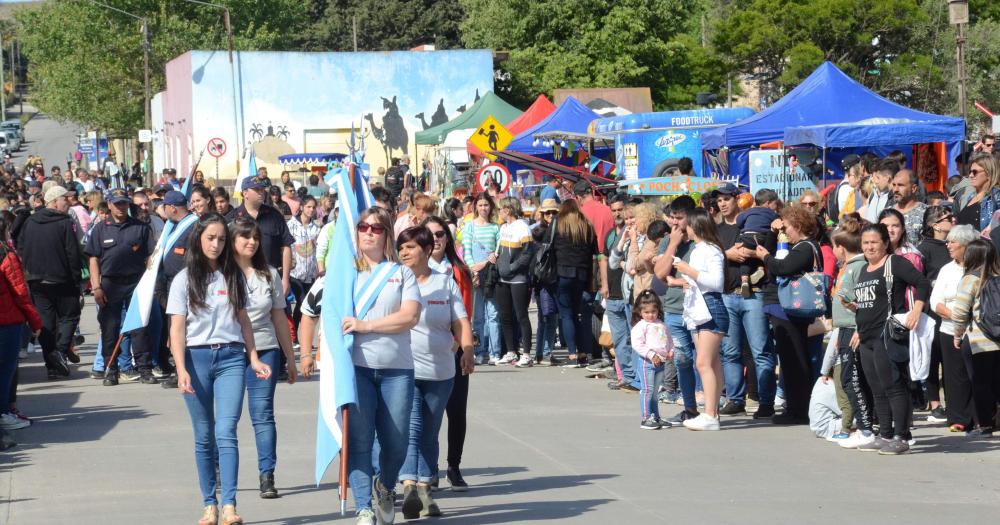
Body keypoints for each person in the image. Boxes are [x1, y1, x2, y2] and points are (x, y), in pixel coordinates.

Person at [299, 207, 420, 525]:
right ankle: (364, 506)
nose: (368, 232)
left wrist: (366, 326)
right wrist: (310, 353)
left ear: (387, 235)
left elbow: (410, 316)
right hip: (356, 370)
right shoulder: (342, 275)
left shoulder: (401, 273)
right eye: (363, 227)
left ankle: (385, 484)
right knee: (360, 440)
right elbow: (314, 313)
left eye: (376, 228)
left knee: (397, 443)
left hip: (397, 369)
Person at [166, 212, 272, 525]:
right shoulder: (183, 280)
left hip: (231, 358)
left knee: (226, 432)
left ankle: (229, 505)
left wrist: (253, 357)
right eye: (211, 238)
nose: (216, 244)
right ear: (199, 239)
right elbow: (176, 328)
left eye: (221, 239)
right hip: (196, 360)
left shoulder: (233, 275)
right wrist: (180, 368)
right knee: (203, 435)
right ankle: (209, 504)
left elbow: (244, 320)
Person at [395, 226, 473, 519]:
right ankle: (409, 485)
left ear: (427, 251)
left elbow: (461, 321)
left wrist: (467, 350)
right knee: (413, 429)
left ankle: (426, 489)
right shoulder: (395, 281)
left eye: (411, 247)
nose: (404, 252)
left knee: (430, 431)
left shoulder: (445, 282)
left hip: (442, 371)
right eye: (401, 247)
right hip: (406, 367)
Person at [229, 218, 297, 499]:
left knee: (263, 415)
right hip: (230, 351)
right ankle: (221, 471)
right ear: (231, 240)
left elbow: (279, 318)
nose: (251, 242)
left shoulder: (268, 273)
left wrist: (290, 358)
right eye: (245, 237)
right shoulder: (220, 273)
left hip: (266, 347)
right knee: (227, 417)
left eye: (255, 237)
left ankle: (267, 475)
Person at [849, 223, 930, 454]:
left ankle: (901, 436)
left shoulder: (894, 263)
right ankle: (884, 434)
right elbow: (866, 305)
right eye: (865, 242)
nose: (869, 246)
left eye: (874, 242)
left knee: (894, 386)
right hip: (866, 337)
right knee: (877, 389)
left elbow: (922, 282)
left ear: (885, 243)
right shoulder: (865, 268)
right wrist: (857, 329)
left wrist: (917, 310)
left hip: (887, 335)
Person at [753, 205, 825, 424]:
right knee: (792, 358)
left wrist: (766, 258)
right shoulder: (803, 246)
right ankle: (796, 408)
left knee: (795, 359)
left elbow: (781, 268)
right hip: (790, 308)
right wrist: (772, 238)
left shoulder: (805, 247)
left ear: (799, 225)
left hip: (792, 309)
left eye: (787, 227)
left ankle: (798, 410)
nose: (785, 232)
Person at [420, 215, 475, 491]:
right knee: (428, 415)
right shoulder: (413, 269)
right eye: (431, 235)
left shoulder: (458, 270)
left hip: (454, 349)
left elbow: (465, 312)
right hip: (424, 352)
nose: (437, 239)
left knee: (456, 410)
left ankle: (454, 466)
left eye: (441, 234)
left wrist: (463, 344)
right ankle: (427, 469)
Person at [714, 186, 778, 417]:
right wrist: (726, 254)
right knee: (730, 351)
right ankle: (735, 399)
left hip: (754, 293)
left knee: (760, 350)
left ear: (738, 200)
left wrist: (751, 253)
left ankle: (767, 402)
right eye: (719, 200)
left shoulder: (756, 221)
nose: (722, 204)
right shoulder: (717, 229)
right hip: (728, 294)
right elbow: (707, 257)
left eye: (727, 199)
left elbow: (770, 248)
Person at [85, 188, 157, 385]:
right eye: (117, 204)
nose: (121, 207)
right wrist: (96, 287)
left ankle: (144, 369)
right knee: (110, 328)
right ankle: (111, 370)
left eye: (124, 203)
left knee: (139, 328)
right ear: (109, 205)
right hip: (109, 284)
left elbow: (151, 255)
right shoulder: (100, 229)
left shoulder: (140, 227)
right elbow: (93, 259)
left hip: (135, 283)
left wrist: (148, 283)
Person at [670, 208, 728, 430]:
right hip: (697, 308)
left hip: (710, 307)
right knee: (711, 363)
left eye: (689, 224)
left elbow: (716, 283)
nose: (686, 228)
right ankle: (712, 413)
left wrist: (688, 270)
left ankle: (711, 414)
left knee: (703, 362)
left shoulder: (712, 250)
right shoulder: (698, 249)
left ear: (697, 226)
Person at [17, 186, 82, 379]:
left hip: (36, 280)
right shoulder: (64, 222)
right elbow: (73, 253)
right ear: (54, 202)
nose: (68, 203)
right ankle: (59, 354)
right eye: (65, 199)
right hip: (62, 279)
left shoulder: (30, 222)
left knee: (47, 323)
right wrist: (77, 279)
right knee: (70, 316)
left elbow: (21, 247)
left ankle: (52, 367)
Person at [828, 214, 877, 449]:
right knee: (849, 378)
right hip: (845, 329)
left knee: (852, 379)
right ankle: (864, 426)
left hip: (854, 328)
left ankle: (866, 428)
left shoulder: (857, 267)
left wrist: (859, 327)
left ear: (840, 247)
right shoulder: (847, 267)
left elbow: (864, 301)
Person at [929, 224, 978, 431]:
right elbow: (936, 301)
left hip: (976, 331)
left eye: (952, 242)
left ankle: (979, 417)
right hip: (949, 329)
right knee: (954, 375)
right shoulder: (946, 270)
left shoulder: (979, 268)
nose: (948, 245)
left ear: (966, 245)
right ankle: (958, 417)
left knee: (976, 375)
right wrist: (957, 316)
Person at [950, 239, 1000, 436]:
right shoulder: (997, 276)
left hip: (979, 340)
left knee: (980, 383)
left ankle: (985, 425)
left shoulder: (971, 279)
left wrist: (957, 333)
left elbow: (960, 311)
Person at [0, 214, 42, 447]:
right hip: (7, 322)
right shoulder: (6, 255)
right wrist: (35, 322)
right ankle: (4, 412)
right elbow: (20, 293)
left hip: (8, 320)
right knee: (6, 371)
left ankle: (6, 411)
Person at [552, 199, 599, 368]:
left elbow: (549, 247)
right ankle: (583, 352)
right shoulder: (586, 224)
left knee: (566, 314)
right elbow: (594, 250)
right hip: (581, 274)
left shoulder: (558, 223)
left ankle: (572, 353)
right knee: (579, 315)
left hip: (562, 273)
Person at [231, 176, 294, 297]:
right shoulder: (233, 218)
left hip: (272, 278)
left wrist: (285, 279)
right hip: (242, 280)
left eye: (262, 189)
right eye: (257, 189)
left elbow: (286, 246)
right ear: (245, 193)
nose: (262, 192)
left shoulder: (274, 215)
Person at [601, 195, 638, 389]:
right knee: (619, 341)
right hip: (613, 294)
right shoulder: (610, 235)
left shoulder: (635, 234)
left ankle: (638, 378)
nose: (617, 214)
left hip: (629, 295)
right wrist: (604, 285)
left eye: (620, 210)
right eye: (613, 210)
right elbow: (605, 260)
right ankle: (627, 377)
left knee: (635, 338)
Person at [494, 196, 534, 367]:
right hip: (503, 278)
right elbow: (500, 251)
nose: (499, 212)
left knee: (521, 316)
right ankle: (511, 351)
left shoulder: (523, 227)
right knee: (505, 316)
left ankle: (526, 354)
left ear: (508, 210)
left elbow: (527, 253)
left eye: (500, 209)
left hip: (518, 279)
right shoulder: (503, 227)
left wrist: (512, 267)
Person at [461, 194, 501, 364]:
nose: (484, 208)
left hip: (491, 274)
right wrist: (473, 269)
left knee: (493, 314)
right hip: (475, 274)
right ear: (475, 207)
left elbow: (498, 251)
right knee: (477, 316)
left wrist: (491, 258)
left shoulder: (495, 228)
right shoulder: (469, 227)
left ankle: (495, 352)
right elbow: (466, 250)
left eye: (486, 205)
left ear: (491, 207)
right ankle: (479, 351)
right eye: (481, 205)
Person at [631, 290, 673, 429]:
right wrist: (651, 355)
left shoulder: (661, 324)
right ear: (640, 312)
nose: (650, 315)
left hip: (661, 362)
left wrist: (670, 350)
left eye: (653, 311)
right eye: (647, 312)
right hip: (647, 363)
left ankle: (655, 416)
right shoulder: (641, 326)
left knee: (655, 392)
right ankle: (646, 417)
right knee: (647, 390)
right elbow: (638, 344)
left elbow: (668, 340)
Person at [735, 188, 780, 297]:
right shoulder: (771, 213)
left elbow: (738, 221)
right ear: (768, 203)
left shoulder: (749, 211)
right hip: (761, 237)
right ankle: (760, 268)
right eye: (776, 204)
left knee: (745, 259)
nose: (776, 207)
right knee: (763, 251)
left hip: (746, 236)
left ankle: (744, 280)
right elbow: (777, 222)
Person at [287, 195, 320, 339]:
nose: (311, 210)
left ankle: (301, 335)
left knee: (307, 306)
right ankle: (294, 336)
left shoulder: (316, 228)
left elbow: (319, 248)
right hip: (295, 273)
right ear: (301, 207)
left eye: (313, 207)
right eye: (308, 207)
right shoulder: (291, 225)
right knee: (301, 302)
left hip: (310, 273)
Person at [953, 152, 1000, 233]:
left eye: (974, 172)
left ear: (988, 173)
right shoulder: (971, 196)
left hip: (983, 245)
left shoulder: (996, 196)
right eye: (970, 172)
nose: (970, 175)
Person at [891, 169, 928, 246]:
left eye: (900, 185)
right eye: (894, 185)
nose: (895, 190)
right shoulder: (887, 213)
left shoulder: (927, 212)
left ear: (913, 188)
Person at [863, 158, 897, 222]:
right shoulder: (873, 194)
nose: (875, 181)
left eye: (878, 178)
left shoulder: (896, 199)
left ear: (888, 178)